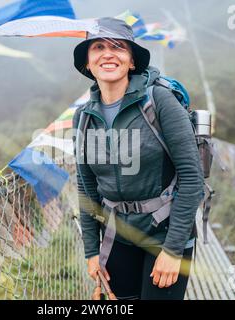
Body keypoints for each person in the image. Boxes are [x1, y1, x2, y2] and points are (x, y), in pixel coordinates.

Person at [72, 17, 204, 300]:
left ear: (132, 62)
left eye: (118, 47)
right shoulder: (83, 117)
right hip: (116, 236)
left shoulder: (160, 101)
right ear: (88, 62)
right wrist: (92, 251)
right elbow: (86, 187)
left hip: (165, 233)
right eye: (98, 47)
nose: (108, 53)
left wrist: (173, 251)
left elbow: (193, 179)